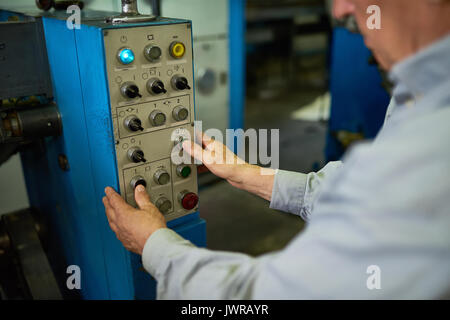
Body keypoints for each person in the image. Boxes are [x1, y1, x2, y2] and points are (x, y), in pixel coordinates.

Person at [102, 0, 450, 299]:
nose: (342, 9)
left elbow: (260, 297)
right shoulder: (418, 97)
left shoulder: (430, 149)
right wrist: (247, 174)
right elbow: (363, 197)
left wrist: (154, 246)